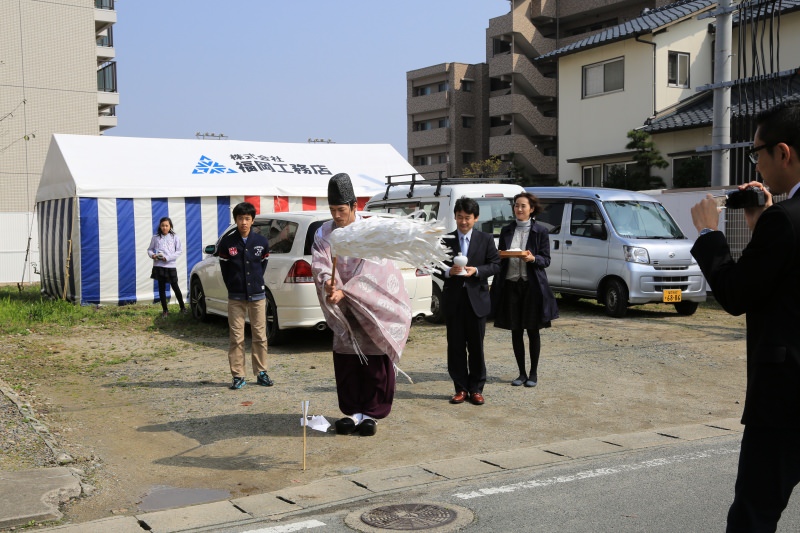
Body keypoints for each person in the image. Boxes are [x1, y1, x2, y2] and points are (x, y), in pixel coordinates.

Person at [689, 98, 800, 532]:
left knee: (754, 514)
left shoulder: (785, 222)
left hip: (785, 396)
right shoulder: (780, 222)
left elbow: (736, 295)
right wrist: (761, 226)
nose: (756, 163)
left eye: (757, 152)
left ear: (783, 152)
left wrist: (707, 233)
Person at [311, 173, 412, 437]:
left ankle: (372, 414)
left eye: (341, 210)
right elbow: (320, 262)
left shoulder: (370, 230)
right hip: (343, 309)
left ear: (355, 206)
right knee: (348, 362)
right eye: (332, 210)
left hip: (370, 305)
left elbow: (377, 269)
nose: (337, 215)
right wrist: (327, 284)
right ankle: (353, 413)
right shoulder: (324, 233)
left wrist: (347, 291)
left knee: (374, 362)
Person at [491, 192, 558, 388]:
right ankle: (521, 372)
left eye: (523, 206)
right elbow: (500, 255)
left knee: (533, 330)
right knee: (516, 330)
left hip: (532, 286)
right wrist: (500, 256)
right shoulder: (506, 230)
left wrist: (533, 259)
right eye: (516, 206)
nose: (519, 209)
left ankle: (533, 373)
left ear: (531, 209)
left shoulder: (541, 231)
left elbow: (546, 260)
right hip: (511, 284)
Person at [438, 196, 500, 405]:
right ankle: (460, 388)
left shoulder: (485, 239)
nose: (463, 222)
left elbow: (495, 264)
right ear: (454, 217)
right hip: (454, 301)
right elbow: (436, 266)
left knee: (476, 347)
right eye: (459, 217)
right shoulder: (446, 239)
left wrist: (477, 271)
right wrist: (448, 271)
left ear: (476, 218)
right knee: (455, 347)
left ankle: (476, 389)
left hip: (477, 301)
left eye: (467, 218)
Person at [216, 202, 273, 390]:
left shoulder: (261, 242)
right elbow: (225, 269)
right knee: (237, 337)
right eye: (240, 218)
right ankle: (238, 375)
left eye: (247, 219)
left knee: (260, 335)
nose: (244, 222)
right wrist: (234, 286)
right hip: (236, 297)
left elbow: (262, 265)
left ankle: (261, 372)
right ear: (236, 220)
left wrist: (255, 283)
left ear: (253, 220)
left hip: (257, 295)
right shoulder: (227, 242)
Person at [147, 217, 186, 318]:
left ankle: (182, 307)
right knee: (161, 288)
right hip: (158, 266)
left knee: (175, 287)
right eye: (162, 225)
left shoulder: (175, 237)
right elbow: (150, 249)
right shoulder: (155, 237)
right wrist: (153, 256)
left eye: (166, 225)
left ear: (170, 226)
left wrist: (167, 258)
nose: (164, 227)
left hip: (170, 265)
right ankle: (165, 310)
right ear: (160, 226)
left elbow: (179, 251)